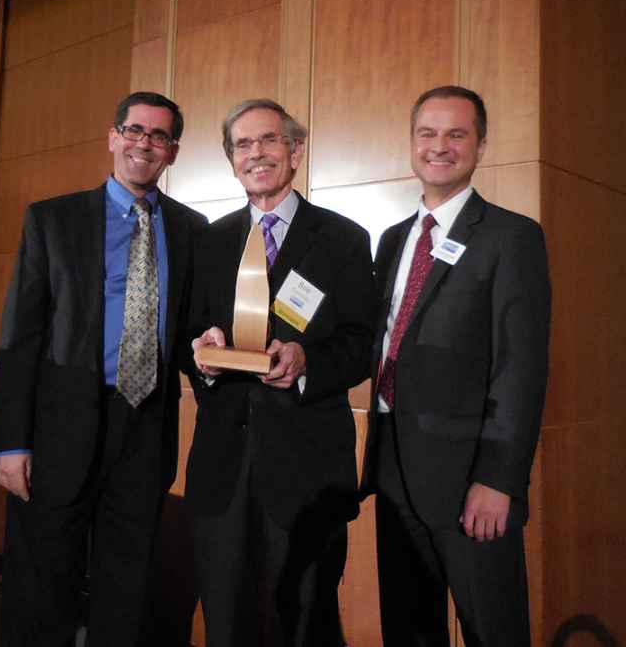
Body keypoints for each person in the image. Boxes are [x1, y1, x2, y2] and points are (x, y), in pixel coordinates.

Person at [0, 91, 207, 646]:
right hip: (59, 429)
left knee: (127, 585)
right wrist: (10, 442)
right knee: (43, 588)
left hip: (145, 426)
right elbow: (20, 338)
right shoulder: (52, 219)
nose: (145, 143)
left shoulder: (192, 229)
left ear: (173, 151)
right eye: (135, 130)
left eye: (159, 136)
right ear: (113, 137)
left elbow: (191, 330)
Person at [362, 85, 551, 646]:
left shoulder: (511, 237)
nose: (439, 146)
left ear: (480, 145)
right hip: (394, 466)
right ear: (412, 143)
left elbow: (521, 367)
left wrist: (498, 479)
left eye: (456, 134)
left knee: (492, 630)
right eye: (427, 133)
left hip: (471, 480)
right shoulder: (394, 240)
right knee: (409, 629)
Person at [187, 99, 374, 646]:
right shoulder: (211, 240)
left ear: (294, 151)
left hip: (307, 467)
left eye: (269, 140)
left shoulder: (343, 238)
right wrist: (203, 354)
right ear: (231, 160)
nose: (256, 154)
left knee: (305, 620)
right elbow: (186, 335)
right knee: (227, 618)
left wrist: (307, 362)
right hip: (223, 466)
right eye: (242, 145)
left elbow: (362, 345)